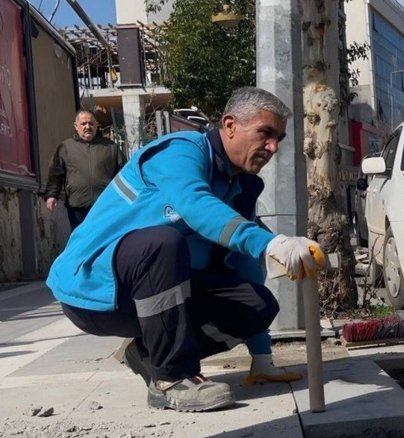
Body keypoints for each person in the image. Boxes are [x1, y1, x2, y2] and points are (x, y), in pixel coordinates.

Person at [47, 87, 322, 412]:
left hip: (151, 294)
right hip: (95, 290)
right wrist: (272, 243)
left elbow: (244, 265)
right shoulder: (181, 152)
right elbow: (196, 205)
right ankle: (173, 378)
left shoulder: (236, 187)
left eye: (279, 138)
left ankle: (149, 354)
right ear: (230, 125)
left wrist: (262, 358)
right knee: (162, 243)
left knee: (258, 304)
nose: (273, 147)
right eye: (265, 133)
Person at [45, 110, 126, 230]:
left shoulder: (110, 147)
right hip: (78, 208)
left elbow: (123, 173)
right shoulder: (66, 148)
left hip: (104, 206)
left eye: (91, 123)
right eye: (83, 124)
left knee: (103, 240)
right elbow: (55, 174)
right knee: (82, 242)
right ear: (76, 126)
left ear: (97, 125)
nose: (87, 126)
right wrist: (52, 195)